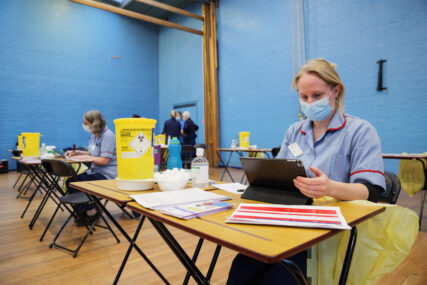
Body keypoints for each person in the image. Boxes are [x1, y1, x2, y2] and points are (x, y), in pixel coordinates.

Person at [227, 58, 386, 284]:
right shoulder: (294, 131)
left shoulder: (360, 131)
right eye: (304, 97)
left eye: (317, 96)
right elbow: (278, 175)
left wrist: (330, 187)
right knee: (242, 268)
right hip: (289, 220)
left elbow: (371, 192)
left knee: (281, 276)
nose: (309, 103)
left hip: (328, 231)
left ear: (336, 92)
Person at [65, 110, 117, 225]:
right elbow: (93, 154)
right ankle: (84, 210)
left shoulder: (108, 136)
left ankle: (91, 212)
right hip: (96, 171)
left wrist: (85, 159)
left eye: (86, 123)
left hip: (107, 175)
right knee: (70, 181)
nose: (84, 125)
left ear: (94, 123)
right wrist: (78, 153)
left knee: (79, 184)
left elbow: (104, 160)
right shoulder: (95, 135)